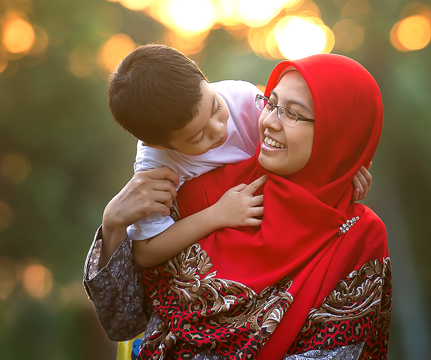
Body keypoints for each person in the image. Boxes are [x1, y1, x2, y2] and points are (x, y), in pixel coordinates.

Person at [84, 53, 390, 360]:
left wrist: (341, 172)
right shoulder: (195, 191)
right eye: (270, 103)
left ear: (339, 133)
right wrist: (112, 225)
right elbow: (125, 320)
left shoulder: (357, 234)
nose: (268, 121)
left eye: (292, 114)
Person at [107, 44, 372, 268]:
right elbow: (146, 251)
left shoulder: (242, 98)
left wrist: (340, 170)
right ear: (158, 144)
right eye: (198, 137)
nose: (220, 128)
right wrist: (215, 215)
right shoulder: (154, 167)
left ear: (202, 75)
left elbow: (296, 147)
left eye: (215, 107)